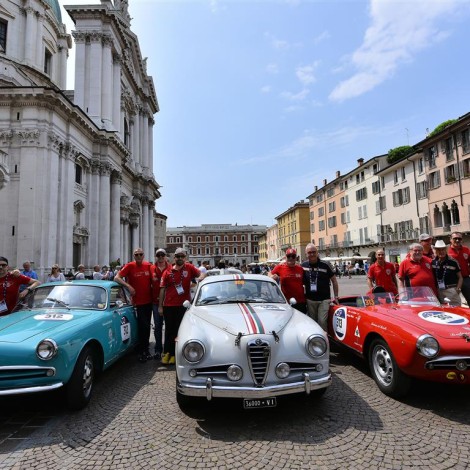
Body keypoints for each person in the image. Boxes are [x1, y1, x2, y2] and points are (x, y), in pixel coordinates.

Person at [158, 248, 203, 365]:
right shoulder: (167, 272)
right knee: (169, 330)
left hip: (183, 306)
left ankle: (175, 354)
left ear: (185, 258)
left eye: (182, 256)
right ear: (174, 258)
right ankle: (166, 352)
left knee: (179, 330)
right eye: (177, 256)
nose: (179, 258)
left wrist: (200, 279)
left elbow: (201, 273)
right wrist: (160, 307)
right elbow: (162, 290)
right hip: (168, 305)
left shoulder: (189, 268)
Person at [115, 248, 153, 363]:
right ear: (134, 256)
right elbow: (116, 278)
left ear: (144, 255)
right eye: (136, 255)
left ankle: (145, 349)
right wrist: (128, 286)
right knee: (143, 326)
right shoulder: (130, 266)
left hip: (149, 301)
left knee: (146, 326)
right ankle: (142, 350)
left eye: (140, 254)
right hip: (137, 302)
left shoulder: (148, 266)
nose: (138, 256)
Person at [301, 244, 339, 331]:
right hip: (310, 300)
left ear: (317, 253)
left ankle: (324, 342)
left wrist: (336, 296)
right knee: (312, 322)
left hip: (324, 300)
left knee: (322, 321)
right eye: (309, 252)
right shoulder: (303, 266)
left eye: (314, 252)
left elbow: (334, 281)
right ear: (306, 254)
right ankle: (315, 342)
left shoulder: (325, 265)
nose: (312, 254)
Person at [269, 248, 306, 313]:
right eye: (289, 256)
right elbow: (269, 273)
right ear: (285, 257)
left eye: (293, 256)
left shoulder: (300, 269)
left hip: (301, 302)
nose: (291, 258)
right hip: (287, 302)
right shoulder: (280, 267)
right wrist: (271, 277)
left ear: (296, 258)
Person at [151, 248, 170, 359]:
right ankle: (158, 349)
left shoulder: (171, 268)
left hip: (169, 302)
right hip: (155, 302)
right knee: (157, 327)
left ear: (166, 256)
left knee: (169, 327)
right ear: (156, 256)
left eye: (163, 255)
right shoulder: (151, 268)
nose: (161, 257)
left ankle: (168, 350)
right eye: (158, 255)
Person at [431, 240, 463, 306]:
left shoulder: (453, 262)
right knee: (445, 313)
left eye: (443, 249)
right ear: (436, 251)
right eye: (439, 250)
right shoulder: (433, 262)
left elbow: (460, 277)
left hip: (451, 290)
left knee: (456, 310)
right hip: (439, 291)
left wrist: (458, 289)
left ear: (446, 250)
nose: (441, 252)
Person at [447, 231, 470, 305]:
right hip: (452, 281)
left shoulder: (466, 249)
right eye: (455, 238)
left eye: (459, 239)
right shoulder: (446, 250)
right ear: (450, 239)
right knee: (453, 302)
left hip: (465, 279)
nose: (457, 240)